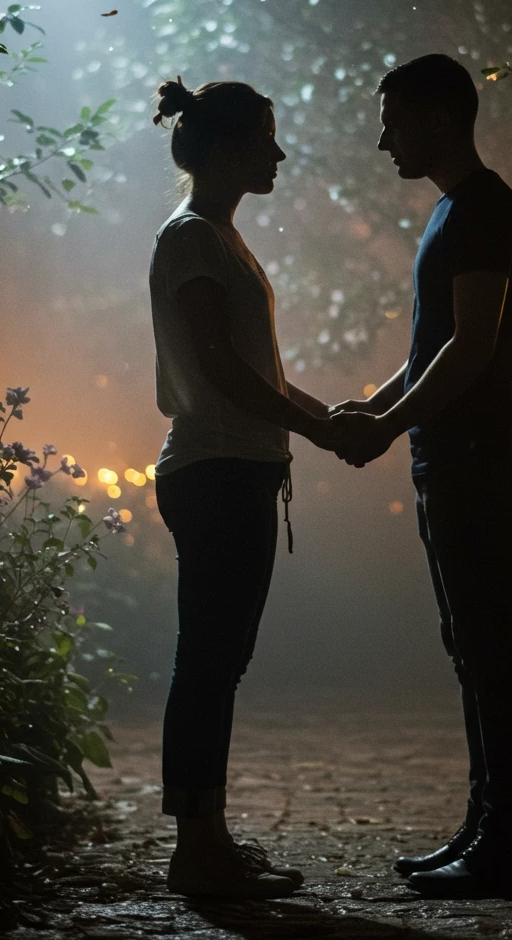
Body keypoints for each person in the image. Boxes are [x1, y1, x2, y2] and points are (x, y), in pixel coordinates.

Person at [330, 53, 512, 899]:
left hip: (476, 453)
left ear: (438, 119)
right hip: (451, 453)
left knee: (490, 649)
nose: (383, 139)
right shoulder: (456, 212)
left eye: (393, 119)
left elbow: (473, 346)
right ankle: (486, 827)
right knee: (474, 648)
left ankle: (510, 846)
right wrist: (376, 405)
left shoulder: (482, 210)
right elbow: (433, 347)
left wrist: (384, 423)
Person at [148, 76, 340, 899]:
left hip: (235, 467)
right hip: (217, 469)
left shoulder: (218, 238)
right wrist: (322, 426)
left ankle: (207, 838)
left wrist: (325, 414)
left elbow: (253, 371)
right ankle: (197, 849)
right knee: (209, 663)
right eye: (265, 136)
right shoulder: (194, 239)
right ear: (226, 147)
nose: (278, 152)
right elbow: (223, 370)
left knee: (216, 661)